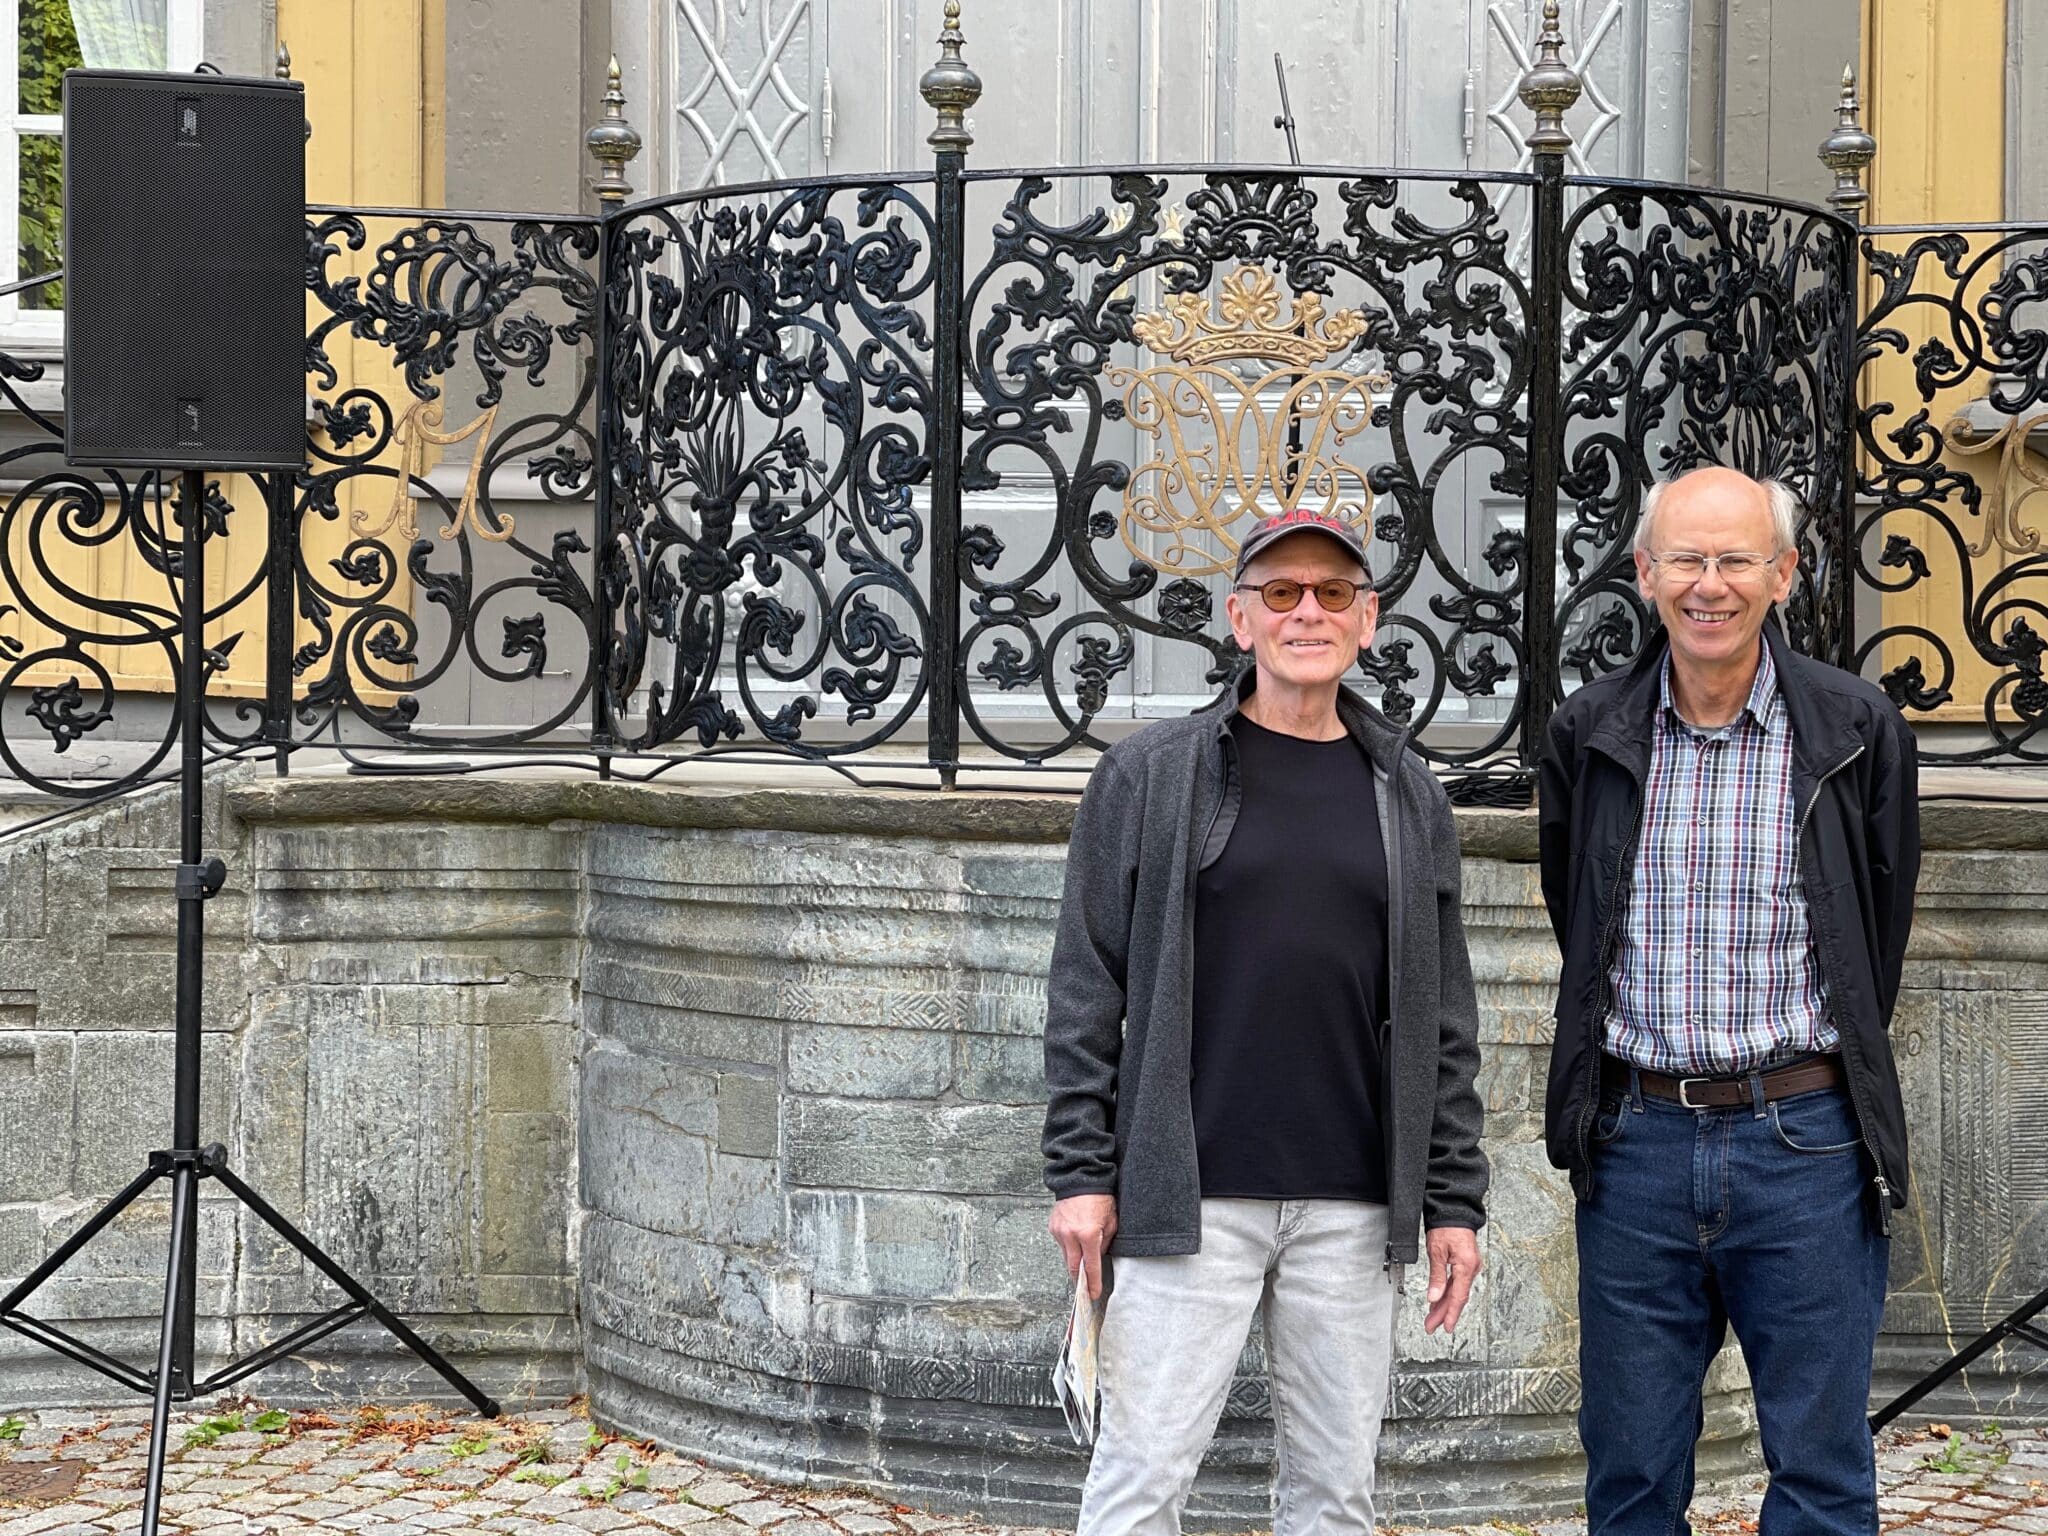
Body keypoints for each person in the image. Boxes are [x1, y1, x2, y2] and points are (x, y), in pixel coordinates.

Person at [1041, 507, 1489, 1536]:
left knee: (1334, 1498)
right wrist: (1080, 1172)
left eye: (1331, 594)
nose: (1305, 613)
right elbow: (1083, 987)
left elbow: (1442, 1014)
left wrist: (1452, 1195)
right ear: (1238, 620)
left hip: (1352, 1207)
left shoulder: (1405, 790)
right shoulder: (1148, 776)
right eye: (1279, 594)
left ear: (1365, 620)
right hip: (1186, 1199)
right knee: (1140, 1480)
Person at [1538, 466, 1920, 1536]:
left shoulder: (1852, 727)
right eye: (1687, 561)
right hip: (1635, 1144)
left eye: (1735, 559)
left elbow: (1869, 933)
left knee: (1819, 1472)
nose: (1710, 585)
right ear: (1645, 574)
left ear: (1782, 574)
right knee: (1628, 1473)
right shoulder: (1588, 731)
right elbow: (1581, 915)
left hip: (1804, 1140)